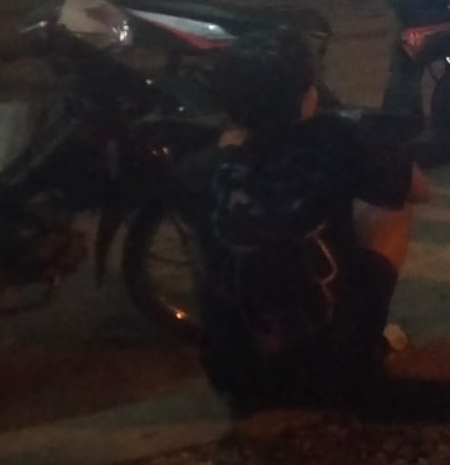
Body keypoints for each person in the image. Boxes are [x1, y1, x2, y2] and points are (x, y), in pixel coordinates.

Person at [175, 30, 431, 413]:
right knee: (390, 211)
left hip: (236, 374)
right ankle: (363, 336)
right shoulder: (334, 140)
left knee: (209, 248)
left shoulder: (197, 167)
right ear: (305, 95)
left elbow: (203, 265)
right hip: (336, 362)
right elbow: (419, 190)